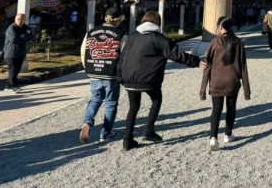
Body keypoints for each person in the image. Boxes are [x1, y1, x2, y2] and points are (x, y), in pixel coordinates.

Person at [118, 10, 200, 150]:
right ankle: (149, 130)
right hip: (149, 79)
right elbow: (176, 54)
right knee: (156, 99)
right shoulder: (158, 38)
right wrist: (196, 61)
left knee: (133, 107)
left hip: (129, 78)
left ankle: (127, 139)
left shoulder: (131, 37)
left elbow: (122, 57)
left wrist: (120, 76)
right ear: (158, 23)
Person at [200, 17, 251, 151]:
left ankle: (213, 137)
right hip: (232, 81)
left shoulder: (214, 43)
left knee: (216, 110)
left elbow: (207, 66)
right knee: (231, 108)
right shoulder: (238, 42)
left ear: (220, 27)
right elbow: (243, 66)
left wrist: (202, 89)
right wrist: (247, 90)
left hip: (216, 81)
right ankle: (228, 134)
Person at [78, 8, 126, 144]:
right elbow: (124, 56)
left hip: (94, 71)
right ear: (118, 20)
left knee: (95, 99)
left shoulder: (91, 32)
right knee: (111, 103)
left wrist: (88, 67)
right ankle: (106, 132)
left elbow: (83, 50)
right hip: (111, 73)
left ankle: (87, 122)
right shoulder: (120, 35)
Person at [3, 13, 32, 92]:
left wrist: (22, 37)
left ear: (25, 20)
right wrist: (24, 37)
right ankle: (13, 86)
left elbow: (30, 36)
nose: (19, 21)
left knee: (16, 70)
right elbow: (14, 39)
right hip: (11, 53)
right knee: (13, 70)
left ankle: (7, 87)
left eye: (21, 19)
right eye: (18, 19)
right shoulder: (11, 28)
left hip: (20, 53)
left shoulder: (26, 28)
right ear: (15, 19)